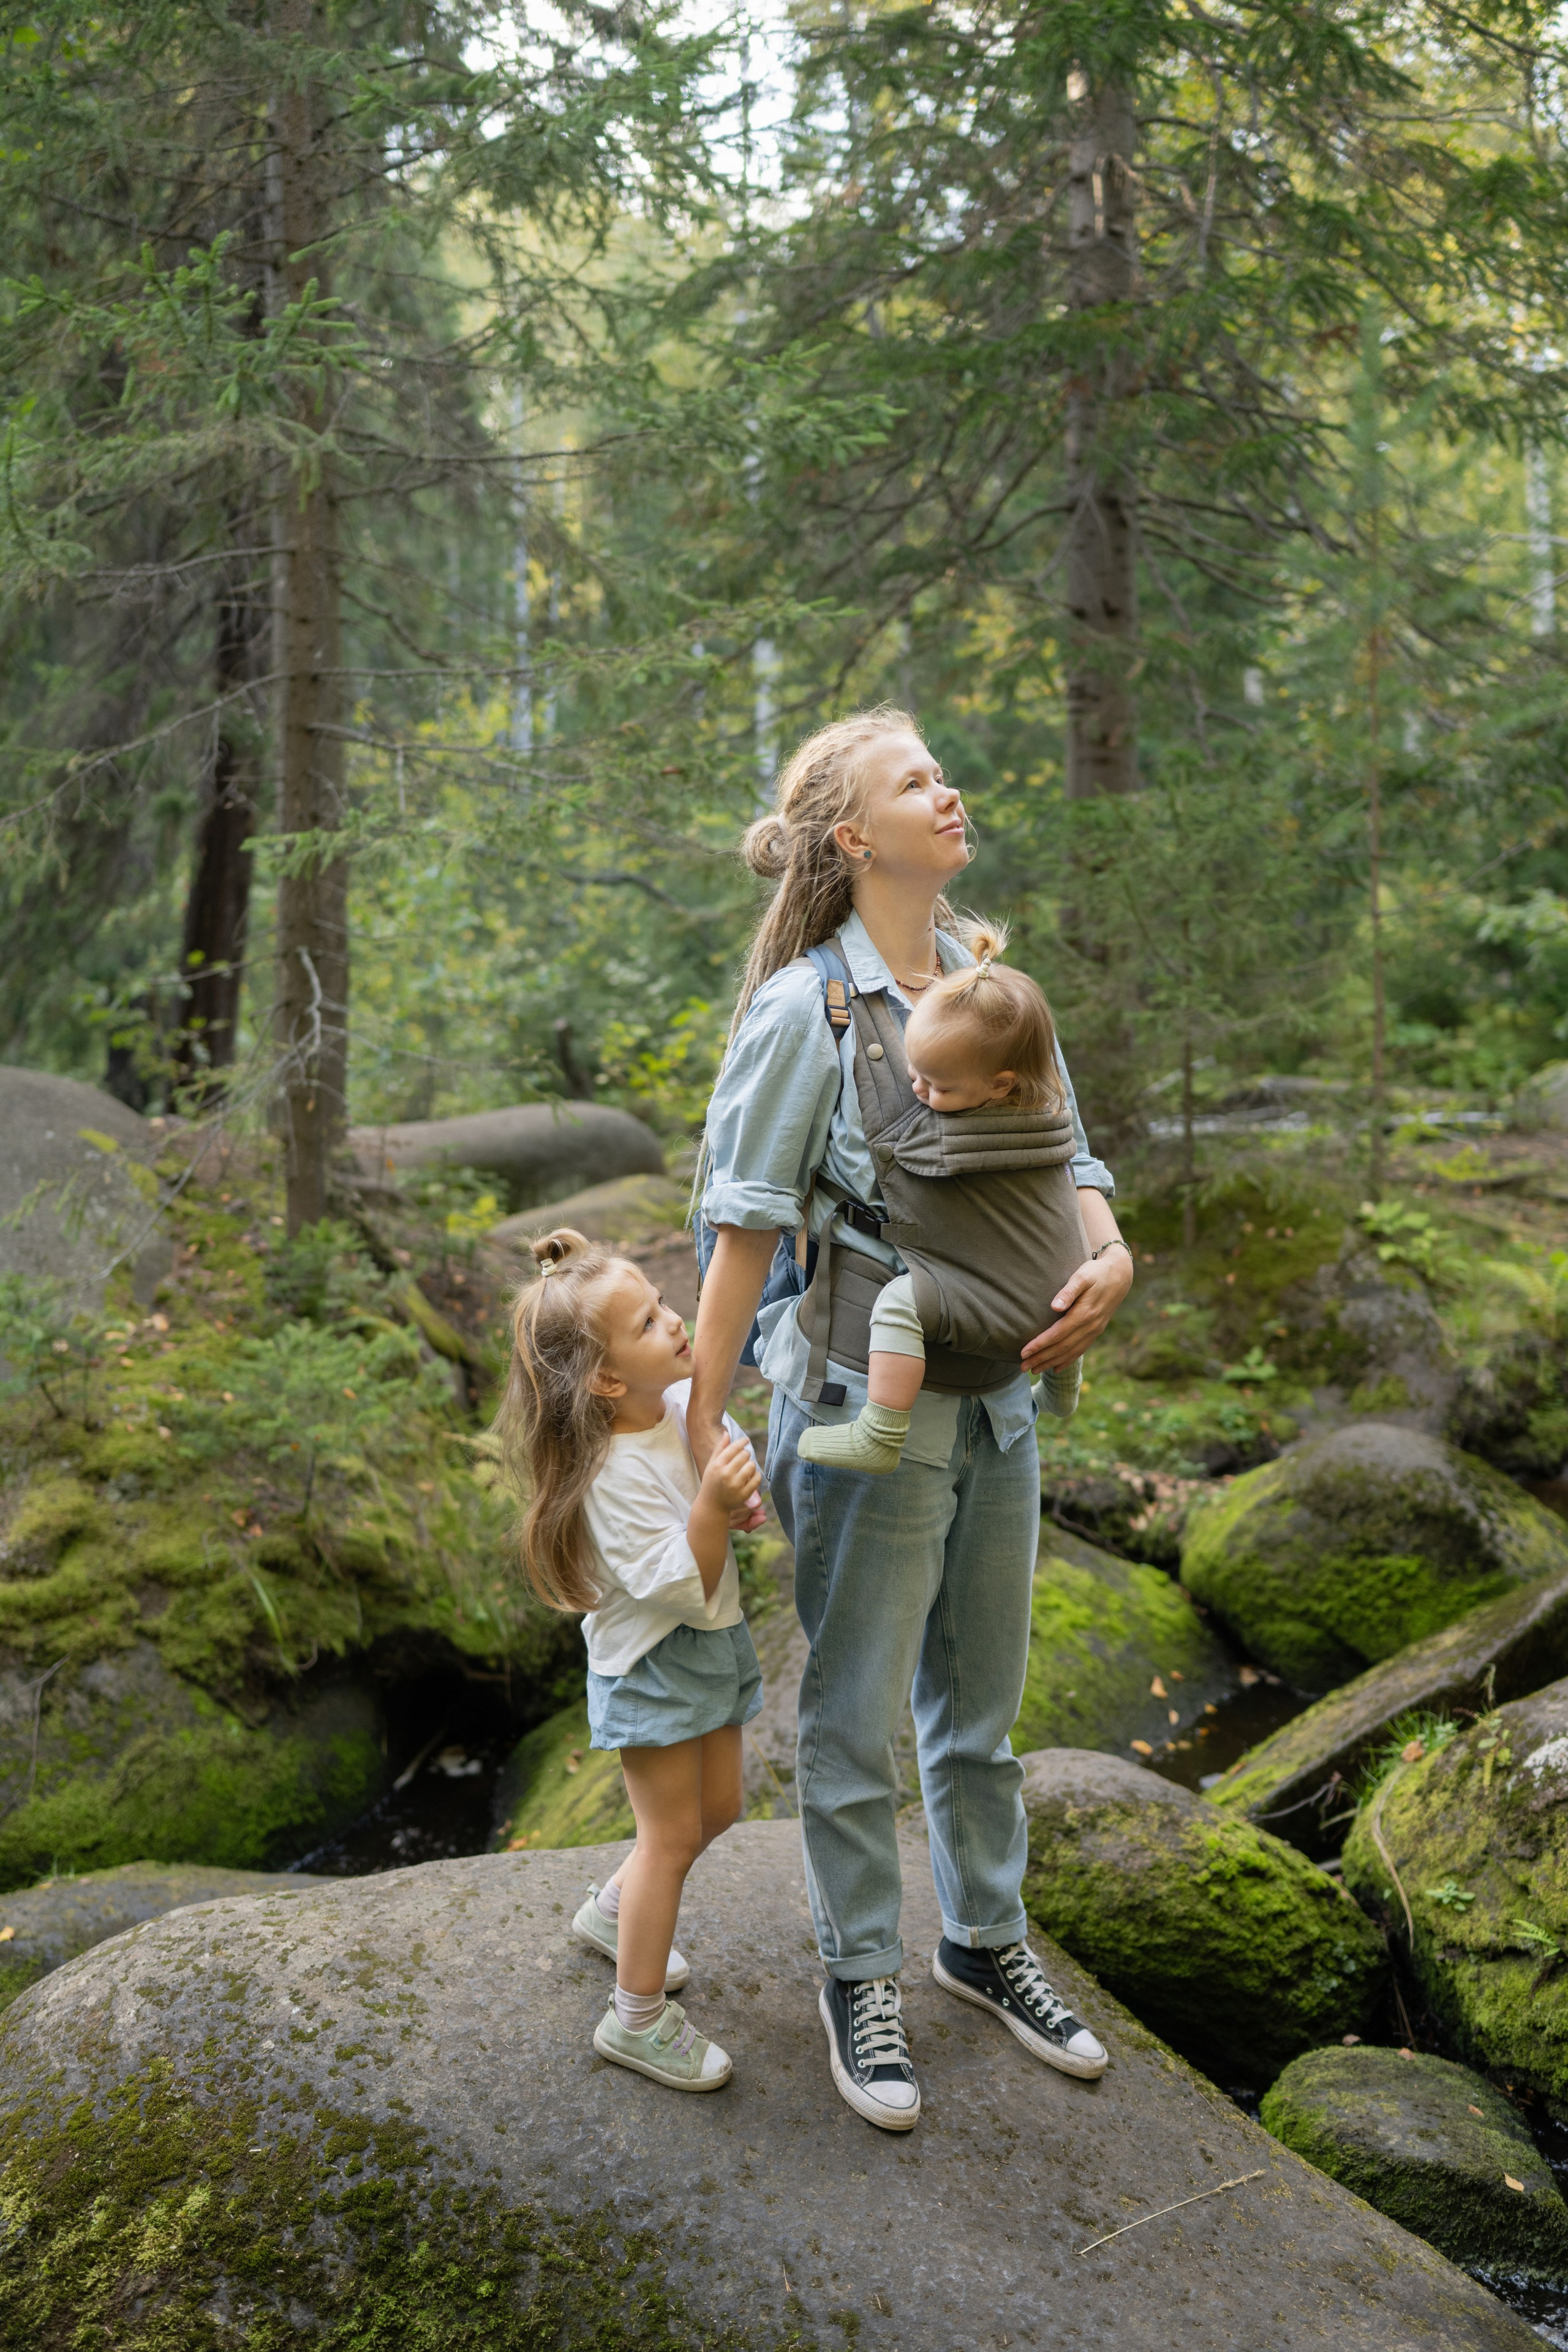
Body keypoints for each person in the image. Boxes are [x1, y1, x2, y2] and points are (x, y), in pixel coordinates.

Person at [688, 707, 1134, 2132]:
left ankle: (982, 1941)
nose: (948, 795)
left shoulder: (988, 976)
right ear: (849, 837)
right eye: (913, 782)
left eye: (942, 773)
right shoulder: (803, 1012)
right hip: (858, 1402)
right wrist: (689, 1427)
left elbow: (1067, 1151)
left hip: (1001, 1405)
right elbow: (740, 1237)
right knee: (852, 1715)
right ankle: (857, 1968)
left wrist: (1109, 1251)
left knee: (980, 1713)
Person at [496, 1227, 764, 2094]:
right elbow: (683, 1583)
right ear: (608, 1379)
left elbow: (719, 1475)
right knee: (671, 1836)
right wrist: (715, 1512)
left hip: (710, 1641)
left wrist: (735, 1494)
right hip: (653, 1661)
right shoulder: (609, 1475)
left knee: (719, 1809)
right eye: (649, 1321)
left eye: (661, 1302)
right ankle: (635, 2019)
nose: (677, 1319)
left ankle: (612, 1912)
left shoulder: (679, 1406)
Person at [797, 919, 1085, 1476]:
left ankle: (880, 1433)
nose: (920, 1093)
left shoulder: (948, 1140)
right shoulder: (1047, 1114)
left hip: (995, 1311)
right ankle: (1063, 1389)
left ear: (1002, 1084)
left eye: (940, 1087)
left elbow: (912, 1157)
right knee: (1064, 1278)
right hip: (1064, 1296)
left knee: (901, 1304)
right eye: (914, 1074)